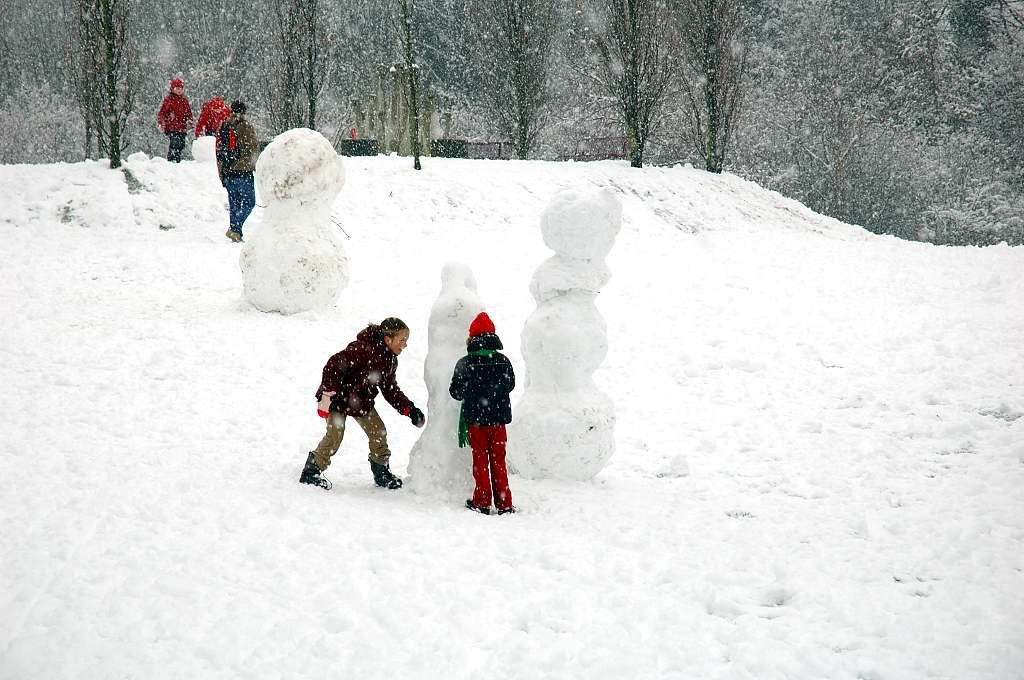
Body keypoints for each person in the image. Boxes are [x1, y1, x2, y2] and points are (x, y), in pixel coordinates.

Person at [300, 318, 426, 491]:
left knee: (378, 432)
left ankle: (381, 472)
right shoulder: (362, 349)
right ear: (388, 339)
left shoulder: (390, 360)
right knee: (335, 435)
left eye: (406, 340)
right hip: (338, 399)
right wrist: (328, 395)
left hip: (361, 402)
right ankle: (311, 471)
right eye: (402, 340)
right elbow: (333, 365)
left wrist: (409, 409)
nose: (405, 345)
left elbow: (390, 390)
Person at [449, 312, 516, 515]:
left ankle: (482, 502)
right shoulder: (503, 360)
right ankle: (504, 503)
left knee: (480, 461)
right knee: (499, 461)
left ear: (472, 338)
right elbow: (510, 385)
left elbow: (455, 392)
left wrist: (473, 390)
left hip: (476, 422)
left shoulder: (465, 363)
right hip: (498, 422)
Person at [216, 100, 258, 242]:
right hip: (243, 172)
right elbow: (253, 149)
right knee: (249, 203)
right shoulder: (246, 127)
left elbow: (218, 151)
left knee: (234, 204)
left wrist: (222, 173)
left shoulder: (224, 125)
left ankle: (236, 233)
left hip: (228, 172)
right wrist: (255, 165)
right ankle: (235, 228)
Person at [156, 78, 193, 162]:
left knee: (181, 144)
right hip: (171, 127)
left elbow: (188, 113)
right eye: (177, 88)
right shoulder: (169, 100)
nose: (179, 90)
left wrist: (189, 121)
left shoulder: (184, 101)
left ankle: (177, 159)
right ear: (172, 89)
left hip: (182, 127)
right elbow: (162, 113)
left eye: (180, 88)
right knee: (174, 143)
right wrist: (162, 122)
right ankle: (172, 159)